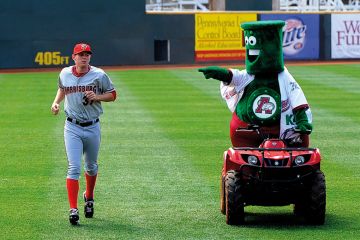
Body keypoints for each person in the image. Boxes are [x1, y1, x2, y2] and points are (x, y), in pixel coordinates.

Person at [199, 20, 312, 148]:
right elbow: (232, 76)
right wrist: (219, 73)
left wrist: (302, 121)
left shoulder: (284, 76)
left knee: (297, 157)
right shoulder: (248, 76)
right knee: (242, 161)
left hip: (278, 130)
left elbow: (297, 98)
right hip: (246, 129)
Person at [50, 43, 117, 225]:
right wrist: (56, 102)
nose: (84, 57)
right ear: (74, 57)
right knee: (73, 167)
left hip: (93, 126)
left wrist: (98, 97)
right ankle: (73, 209)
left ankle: (89, 197)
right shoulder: (65, 73)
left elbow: (112, 94)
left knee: (91, 166)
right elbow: (63, 88)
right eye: (81, 54)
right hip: (72, 127)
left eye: (87, 54)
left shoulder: (99, 75)